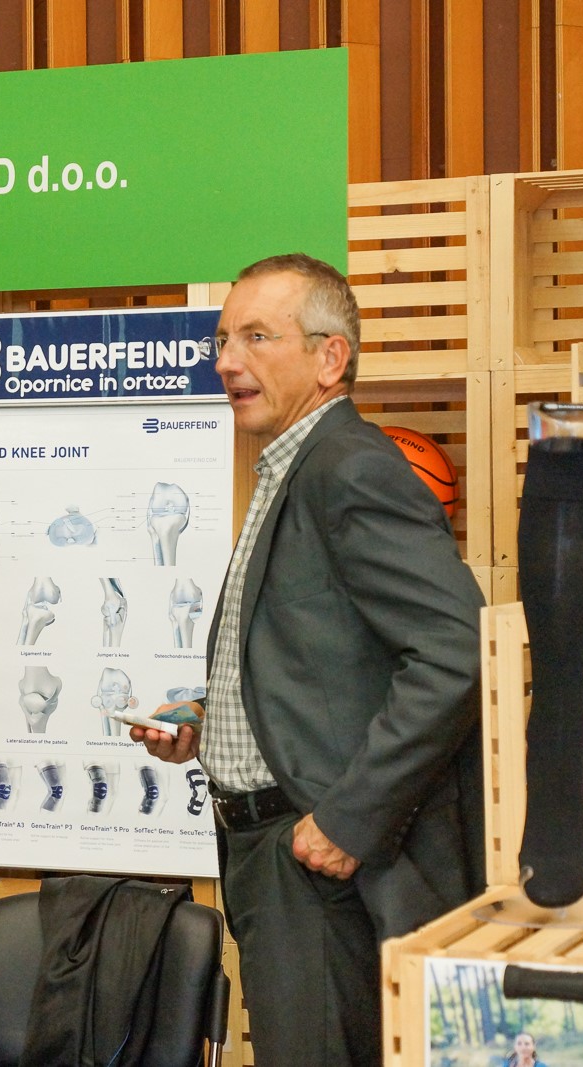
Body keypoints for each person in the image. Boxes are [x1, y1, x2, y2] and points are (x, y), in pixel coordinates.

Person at [132, 254, 484, 1067]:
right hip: (275, 856)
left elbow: (456, 649)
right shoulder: (292, 465)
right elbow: (325, 659)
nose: (227, 361)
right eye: (223, 340)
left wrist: (349, 818)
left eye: (257, 337)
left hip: (325, 865)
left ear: (331, 358)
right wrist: (211, 721)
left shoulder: (349, 467)